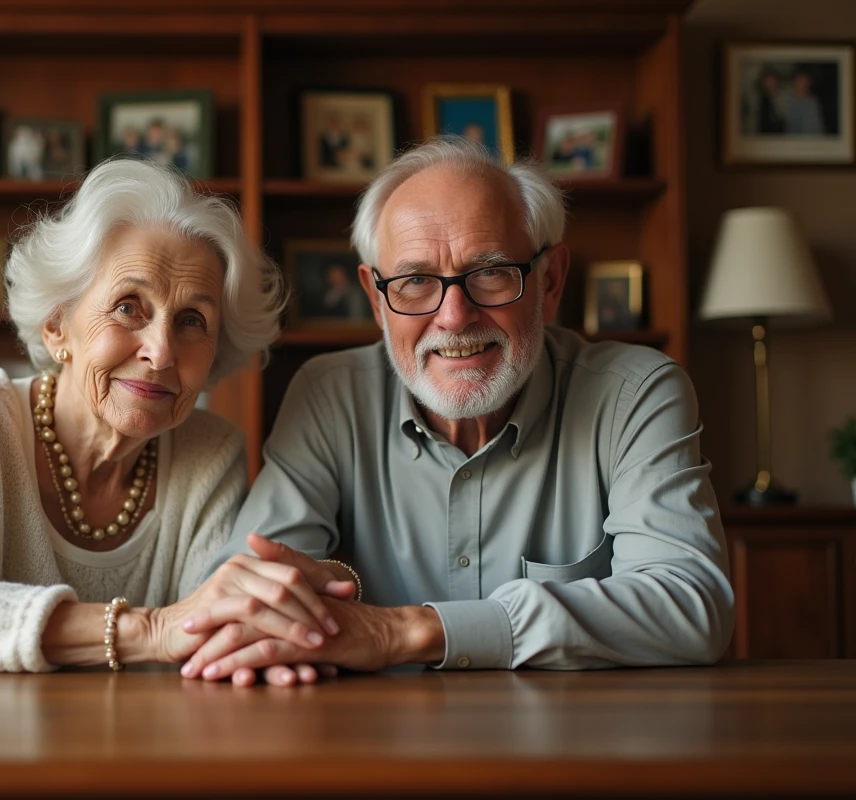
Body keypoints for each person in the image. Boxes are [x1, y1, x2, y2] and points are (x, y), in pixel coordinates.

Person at [185, 135, 733, 686]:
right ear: (376, 299)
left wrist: (408, 632)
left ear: (549, 281)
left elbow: (690, 603)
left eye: (490, 273)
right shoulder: (328, 396)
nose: (453, 317)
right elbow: (243, 602)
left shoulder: (636, 394)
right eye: (415, 281)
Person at [0, 159, 359, 677]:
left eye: (192, 321)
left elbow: (212, 635)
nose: (161, 352)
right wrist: (147, 631)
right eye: (128, 307)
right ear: (57, 326)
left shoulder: (211, 451)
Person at [785, 69, 826, 135]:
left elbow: (818, 126)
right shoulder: (788, 100)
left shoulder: (813, 101)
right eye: (800, 80)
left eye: (805, 81)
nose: (803, 84)